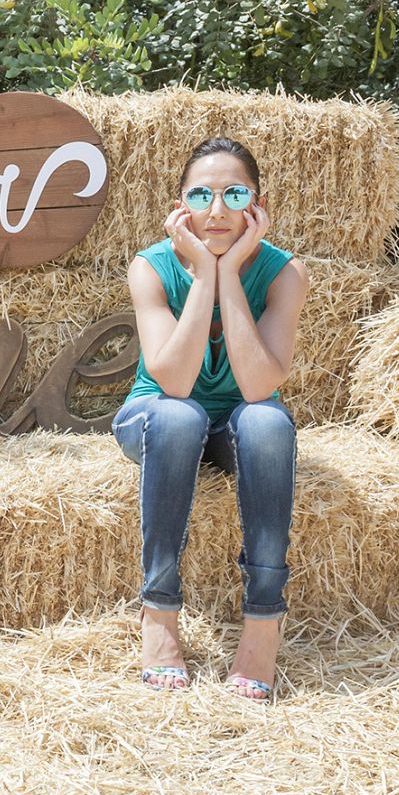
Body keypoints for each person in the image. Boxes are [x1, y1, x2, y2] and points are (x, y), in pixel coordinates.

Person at [110, 137, 311, 702]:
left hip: (233, 426)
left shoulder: (282, 273)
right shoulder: (151, 267)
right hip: (155, 418)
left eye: (233, 193)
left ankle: (262, 626)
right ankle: (160, 615)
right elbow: (172, 381)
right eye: (201, 194)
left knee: (269, 422)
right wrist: (203, 273)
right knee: (180, 415)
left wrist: (231, 273)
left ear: (256, 204)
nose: (216, 209)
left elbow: (257, 386)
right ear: (180, 206)